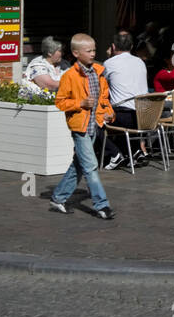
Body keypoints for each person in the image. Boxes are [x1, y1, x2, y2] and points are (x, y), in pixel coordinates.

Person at [50, 33, 115, 220]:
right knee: (91, 166)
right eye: (89, 51)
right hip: (80, 128)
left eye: (94, 50)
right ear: (76, 53)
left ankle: (58, 198)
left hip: (95, 125)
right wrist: (80, 103)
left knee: (79, 165)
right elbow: (60, 102)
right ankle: (102, 205)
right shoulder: (69, 76)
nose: (93, 53)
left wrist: (109, 112)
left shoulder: (99, 72)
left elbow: (104, 99)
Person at [104, 30, 151, 166]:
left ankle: (115, 154)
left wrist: (109, 58)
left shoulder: (109, 63)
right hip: (145, 116)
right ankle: (136, 151)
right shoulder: (140, 62)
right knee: (121, 115)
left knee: (96, 120)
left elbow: (102, 84)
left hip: (124, 116)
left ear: (113, 47)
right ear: (131, 47)